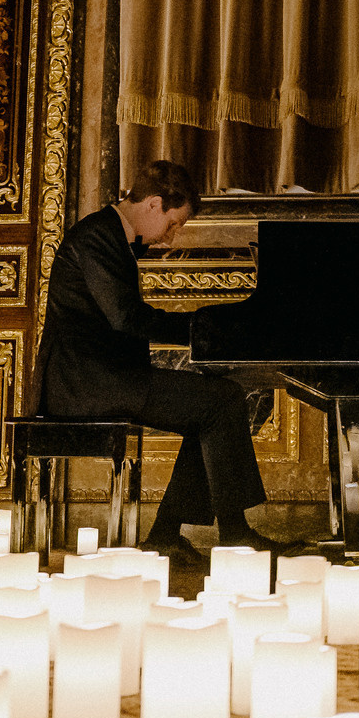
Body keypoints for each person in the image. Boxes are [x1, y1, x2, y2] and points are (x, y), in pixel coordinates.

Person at [35, 161, 280, 568]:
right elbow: (127, 319)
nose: (173, 234)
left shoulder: (109, 234)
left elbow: (124, 318)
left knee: (212, 404)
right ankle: (228, 534)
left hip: (102, 377)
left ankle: (170, 535)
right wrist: (202, 330)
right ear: (152, 204)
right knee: (219, 401)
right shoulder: (97, 237)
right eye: (174, 222)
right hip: (87, 384)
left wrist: (201, 330)